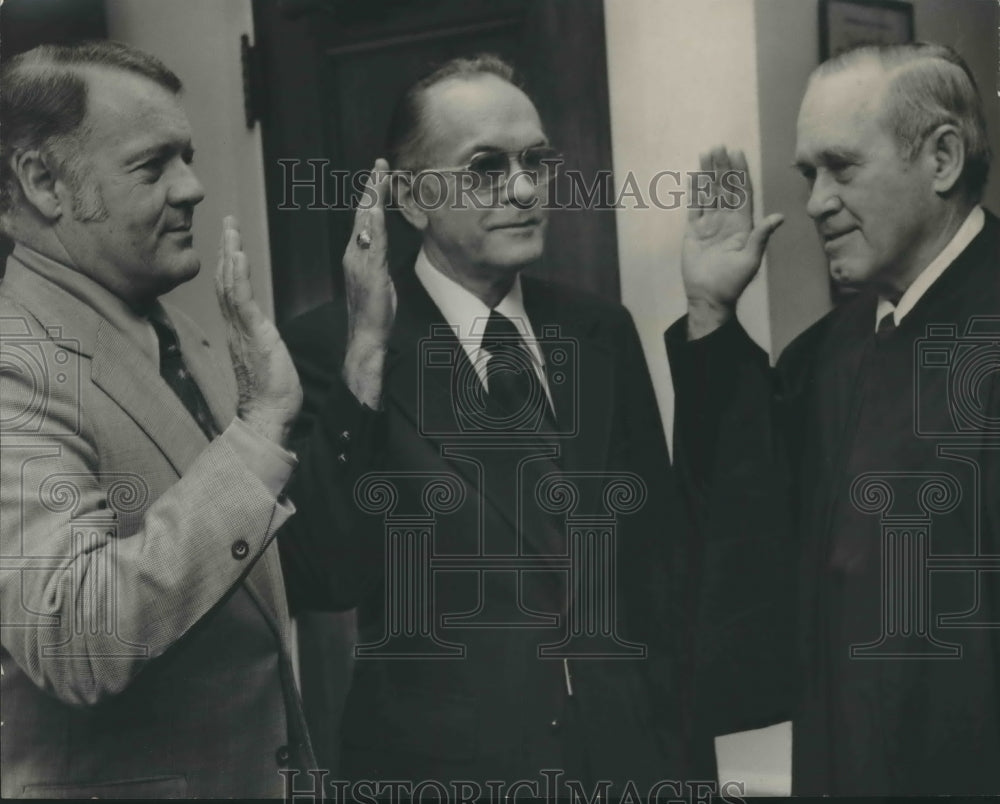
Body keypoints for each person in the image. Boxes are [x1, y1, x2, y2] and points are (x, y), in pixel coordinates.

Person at [282, 55, 700, 795]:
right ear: (412, 199)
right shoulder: (335, 345)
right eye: (486, 167)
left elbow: (658, 575)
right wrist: (367, 357)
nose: (524, 188)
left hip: (624, 762)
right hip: (444, 774)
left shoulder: (599, 329)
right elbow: (325, 575)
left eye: (536, 160)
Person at [0, 41, 393, 798]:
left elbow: (298, 574)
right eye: (153, 167)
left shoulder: (191, 334)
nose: (194, 187)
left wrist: (364, 354)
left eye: (188, 156)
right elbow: (77, 638)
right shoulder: (15, 366)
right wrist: (257, 430)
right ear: (43, 182)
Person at [666, 42, 999, 795]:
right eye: (808, 173)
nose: (814, 201)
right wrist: (711, 313)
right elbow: (748, 533)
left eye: (841, 167)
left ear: (941, 158)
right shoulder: (829, 351)